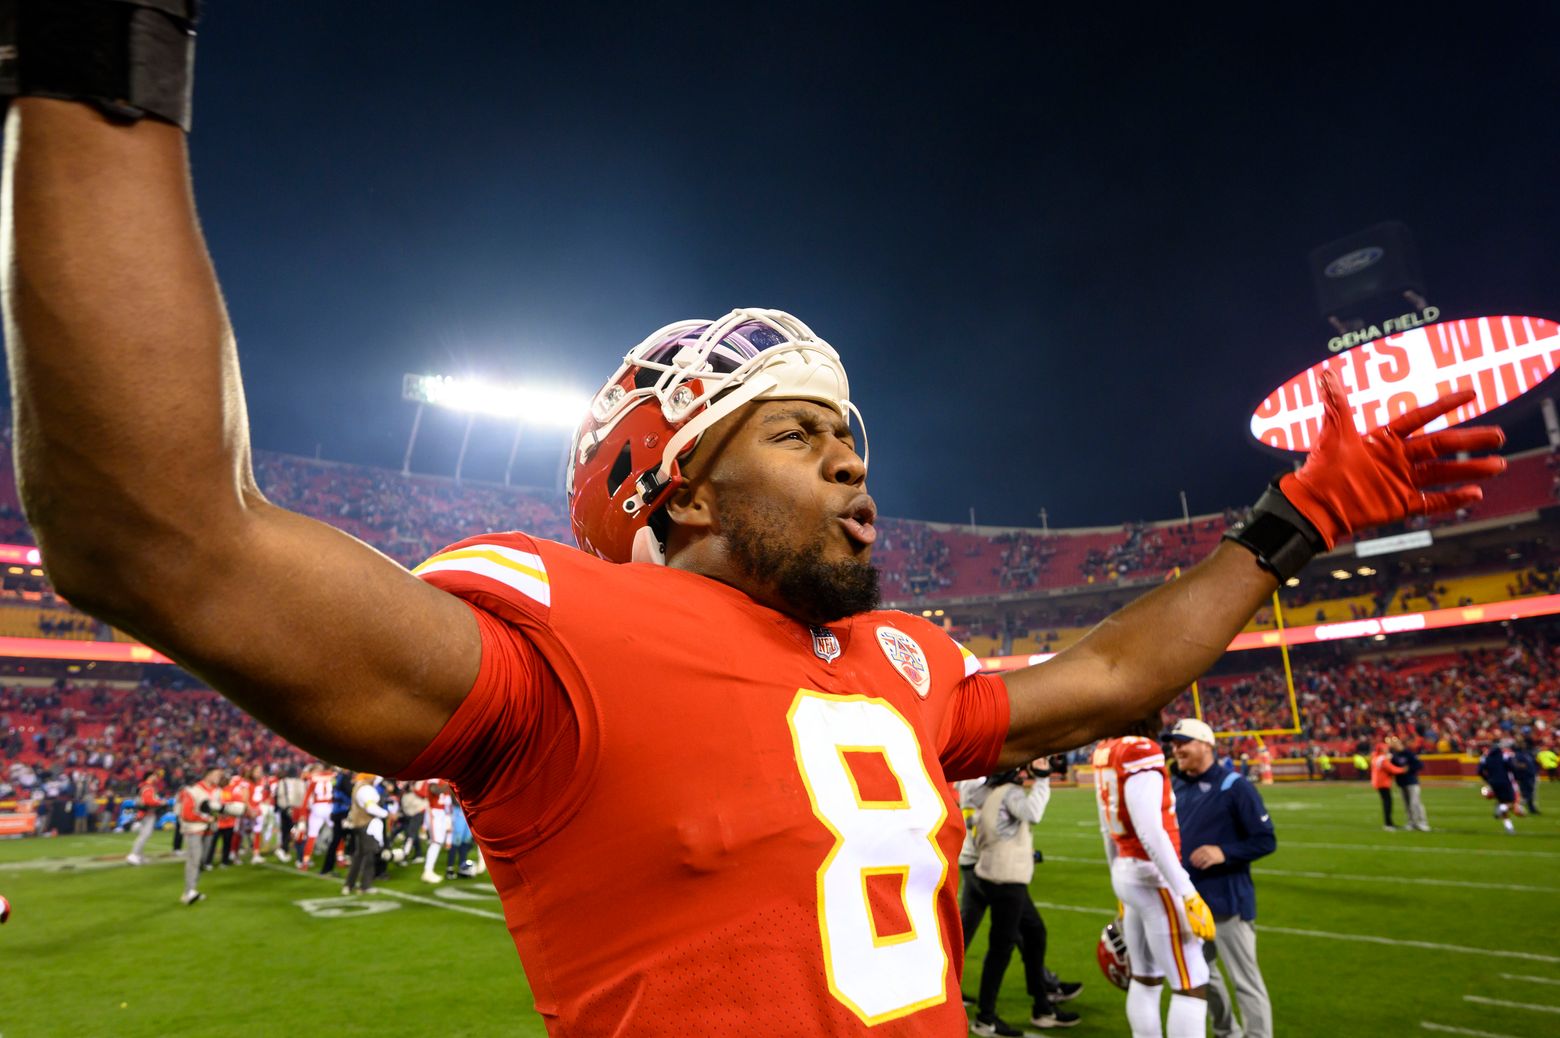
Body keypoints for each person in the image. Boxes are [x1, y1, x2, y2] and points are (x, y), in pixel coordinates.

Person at [0, 11, 1504, 1031]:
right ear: (678, 487)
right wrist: (94, 53)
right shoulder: (560, 638)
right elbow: (161, 532)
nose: (856, 467)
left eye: (854, 437)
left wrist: (1287, 523)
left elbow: (1112, 676)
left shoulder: (901, 663)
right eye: (801, 434)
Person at [1095, 714, 1216, 1038]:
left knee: (1145, 976)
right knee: (1191, 980)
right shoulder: (1140, 750)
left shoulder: (1107, 748)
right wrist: (1187, 892)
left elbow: (1106, 827)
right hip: (1151, 875)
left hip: (1127, 870)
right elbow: (1150, 830)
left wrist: (1116, 878)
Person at [1166, 718, 1276, 1038]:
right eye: (1174, 744)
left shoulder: (1234, 786)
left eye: (1183, 742)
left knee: (1245, 979)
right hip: (1191, 899)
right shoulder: (1178, 785)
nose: (1177, 749)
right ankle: (1226, 1031)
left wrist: (1224, 852)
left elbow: (1265, 839)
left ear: (1205, 744)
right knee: (1200, 975)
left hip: (1228, 898)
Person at [968, 760, 1080, 1034]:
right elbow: (1033, 812)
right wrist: (1042, 779)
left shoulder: (986, 793)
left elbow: (986, 830)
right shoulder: (1008, 792)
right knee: (1001, 948)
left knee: (1034, 934)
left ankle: (1042, 1004)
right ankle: (986, 1016)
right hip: (1007, 880)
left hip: (992, 873)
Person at [175, 768, 223, 905]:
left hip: (209, 829)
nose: (219, 777)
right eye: (216, 774)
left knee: (202, 861)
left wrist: (220, 814)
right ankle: (188, 892)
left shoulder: (217, 791)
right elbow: (186, 814)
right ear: (207, 775)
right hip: (194, 829)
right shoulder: (192, 790)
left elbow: (216, 810)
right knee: (194, 859)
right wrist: (206, 819)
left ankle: (192, 889)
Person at [343, 773, 387, 895]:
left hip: (359, 823)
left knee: (359, 855)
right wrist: (385, 814)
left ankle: (348, 884)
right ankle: (364, 886)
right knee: (369, 855)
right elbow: (370, 808)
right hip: (366, 825)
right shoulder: (366, 789)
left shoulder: (360, 786)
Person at [1386, 735, 1429, 831]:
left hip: (1412, 782)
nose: (1395, 745)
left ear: (1400, 744)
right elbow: (1393, 768)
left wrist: (1409, 769)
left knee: (1415, 803)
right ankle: (1411, 822)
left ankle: (1422, 823)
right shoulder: (1394, 756)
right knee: (1407, 805)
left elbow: (1419, 765)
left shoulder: (1409, 753)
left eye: (1396, 743)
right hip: (1401, 783)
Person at [124, 768, 164, 865]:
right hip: (147, 813)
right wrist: (160, 802)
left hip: (143, 813)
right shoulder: (148, 787)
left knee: (143, 835)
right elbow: (148, 801)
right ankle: (133, 855)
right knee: (145, 835)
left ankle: (139, 856)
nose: (155, 777)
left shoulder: (143, 786)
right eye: (154, 775)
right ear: (150, 777)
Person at [1479, 742, 1518, 834]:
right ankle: (1502, 809)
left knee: (1501, 802)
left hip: (1493, 783)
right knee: (1511, 803)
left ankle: (1509, 827)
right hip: (1505, 782)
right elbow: (1512, 767)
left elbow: (1480, 771)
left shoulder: (1486, 758)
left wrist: (1487, 779)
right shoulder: (1504, 756)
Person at [1369, 741, 1406, 830]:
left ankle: (1388, 822)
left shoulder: (1375, 757)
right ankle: (1388, 823)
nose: (1387, 749)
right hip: (1383, 783)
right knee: (1388, 803)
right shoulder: (1382, 759)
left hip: (1378, 782)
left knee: (1386, 802)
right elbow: (1391, 769)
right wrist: (1403, 770)